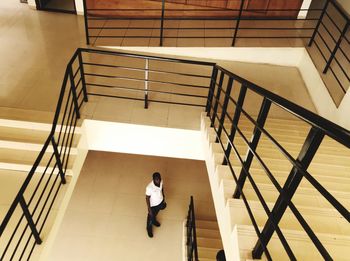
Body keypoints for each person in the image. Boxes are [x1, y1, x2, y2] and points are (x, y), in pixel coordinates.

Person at [145, 172, 167, 238]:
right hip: (153, 205)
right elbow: (147, 198)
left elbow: (161, 188)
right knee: (150, 217)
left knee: (156, 214)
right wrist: (149, 209)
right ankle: (149, 229)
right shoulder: (149, 187)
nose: (159, 180)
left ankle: (154, 221)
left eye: (159, 179)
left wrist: (163, 196)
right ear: (153, 179)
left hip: (160, 202)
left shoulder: (161, 181)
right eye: (157, 179)